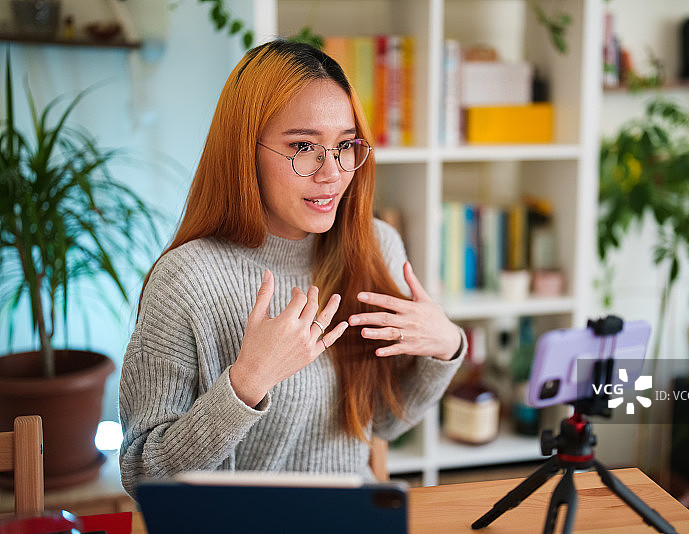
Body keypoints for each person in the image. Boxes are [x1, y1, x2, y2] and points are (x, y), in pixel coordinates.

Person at [118, 40, 465, 497]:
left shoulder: (376, 245)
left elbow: (381, 419)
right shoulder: (187, 280)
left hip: (348, 517)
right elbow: (142, 474)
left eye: (345, 145)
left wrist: (446, 348)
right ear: (246, 150)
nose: (333, 173)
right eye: (304, 146)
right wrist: (246, 383)